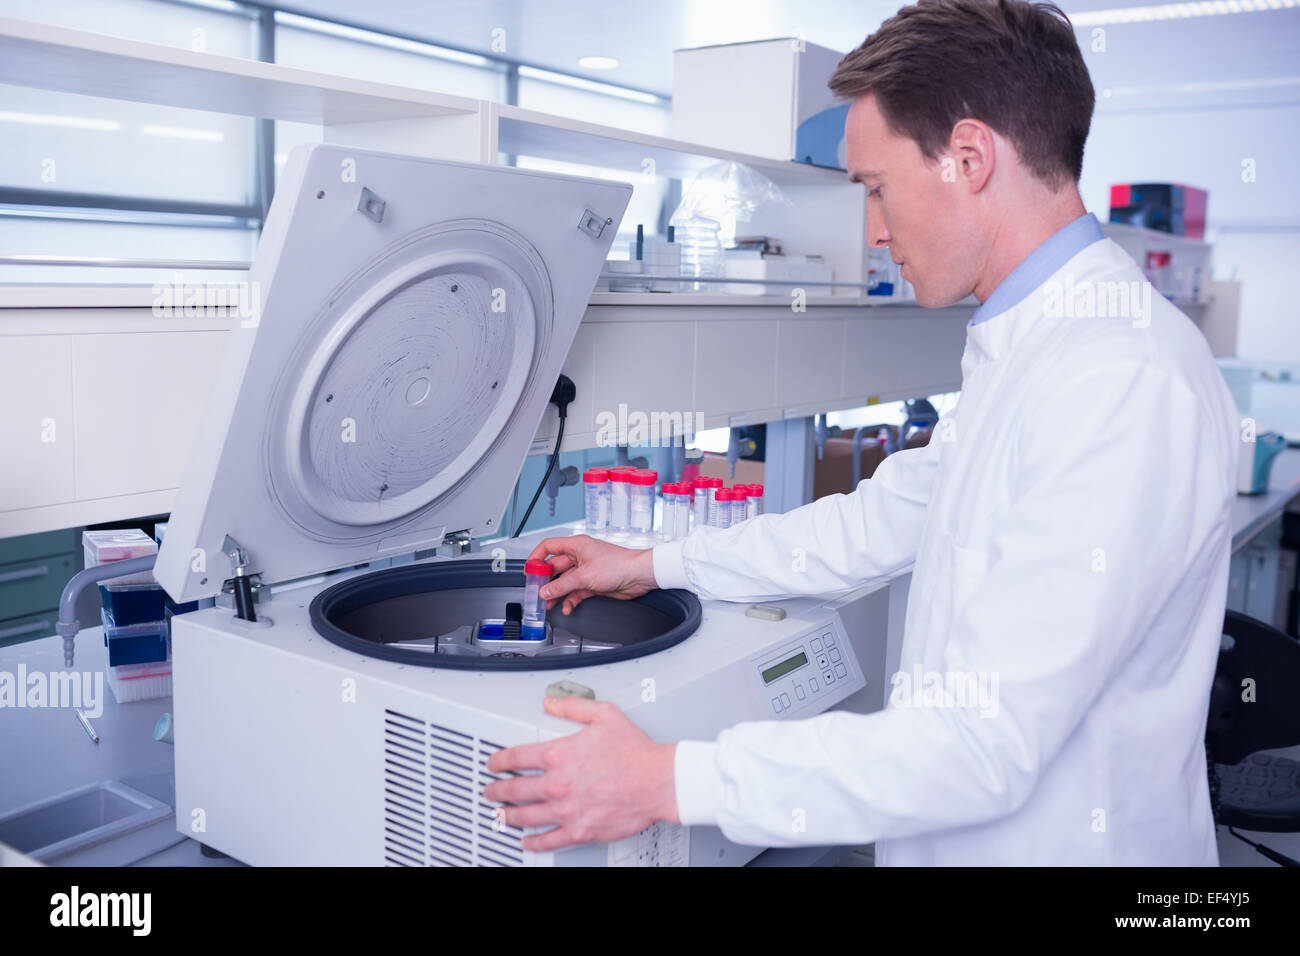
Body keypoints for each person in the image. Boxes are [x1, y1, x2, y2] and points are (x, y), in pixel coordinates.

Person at [485, 0, 1240, 865]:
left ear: (969, 157)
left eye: (876, 187)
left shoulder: (1117, 379)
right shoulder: (1033, 348)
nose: (873, 230)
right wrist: (652, 564)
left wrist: (665, 781)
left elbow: (980, 743)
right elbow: (881, 520)